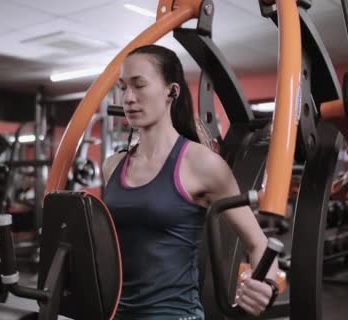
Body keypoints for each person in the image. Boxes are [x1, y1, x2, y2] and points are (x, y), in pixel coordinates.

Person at [103, 44, 278, 320]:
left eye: (139, 85)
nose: (128, 98)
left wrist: (267, 285)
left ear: (171, 92)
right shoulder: (112, 167)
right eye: (123, 87)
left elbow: (259, 243)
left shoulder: (202, 165)